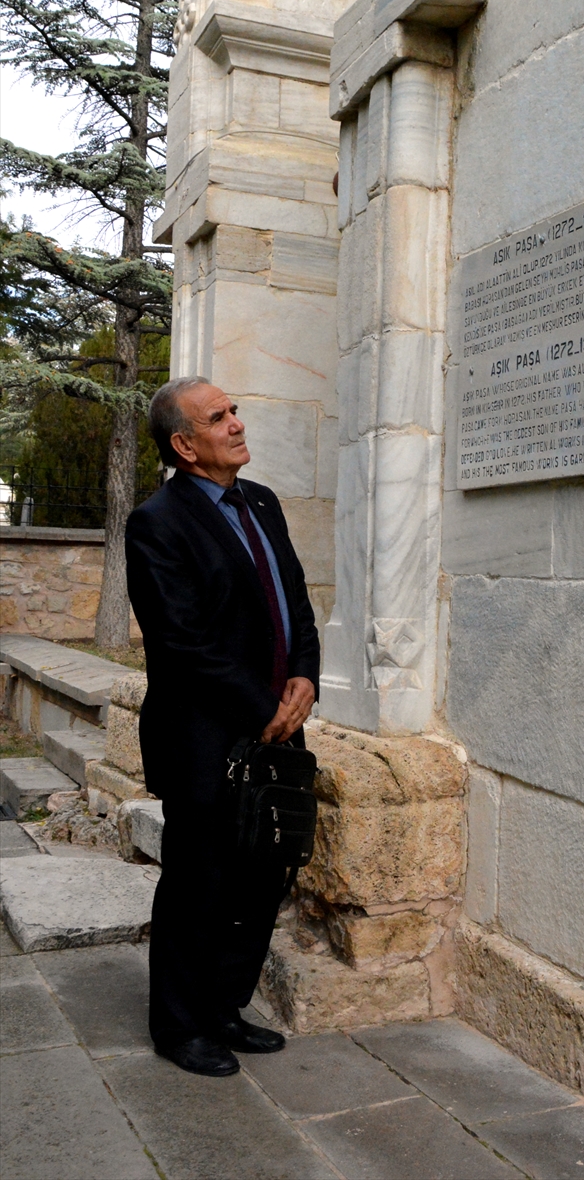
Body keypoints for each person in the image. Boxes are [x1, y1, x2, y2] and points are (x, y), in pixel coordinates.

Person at [126, 376, 320, 1077]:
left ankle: (225, 1008)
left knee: (262, 878)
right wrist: (262, 705)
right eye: (219, 417)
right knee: (198, 882)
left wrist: (305, 678)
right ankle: (180, 1027)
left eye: (234, 410)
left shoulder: (261, 503)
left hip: (276, 731)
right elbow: (179, 643)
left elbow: (295, 601)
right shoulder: (158, 521)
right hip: (205, 738)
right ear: (185, 444)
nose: (237, 423)